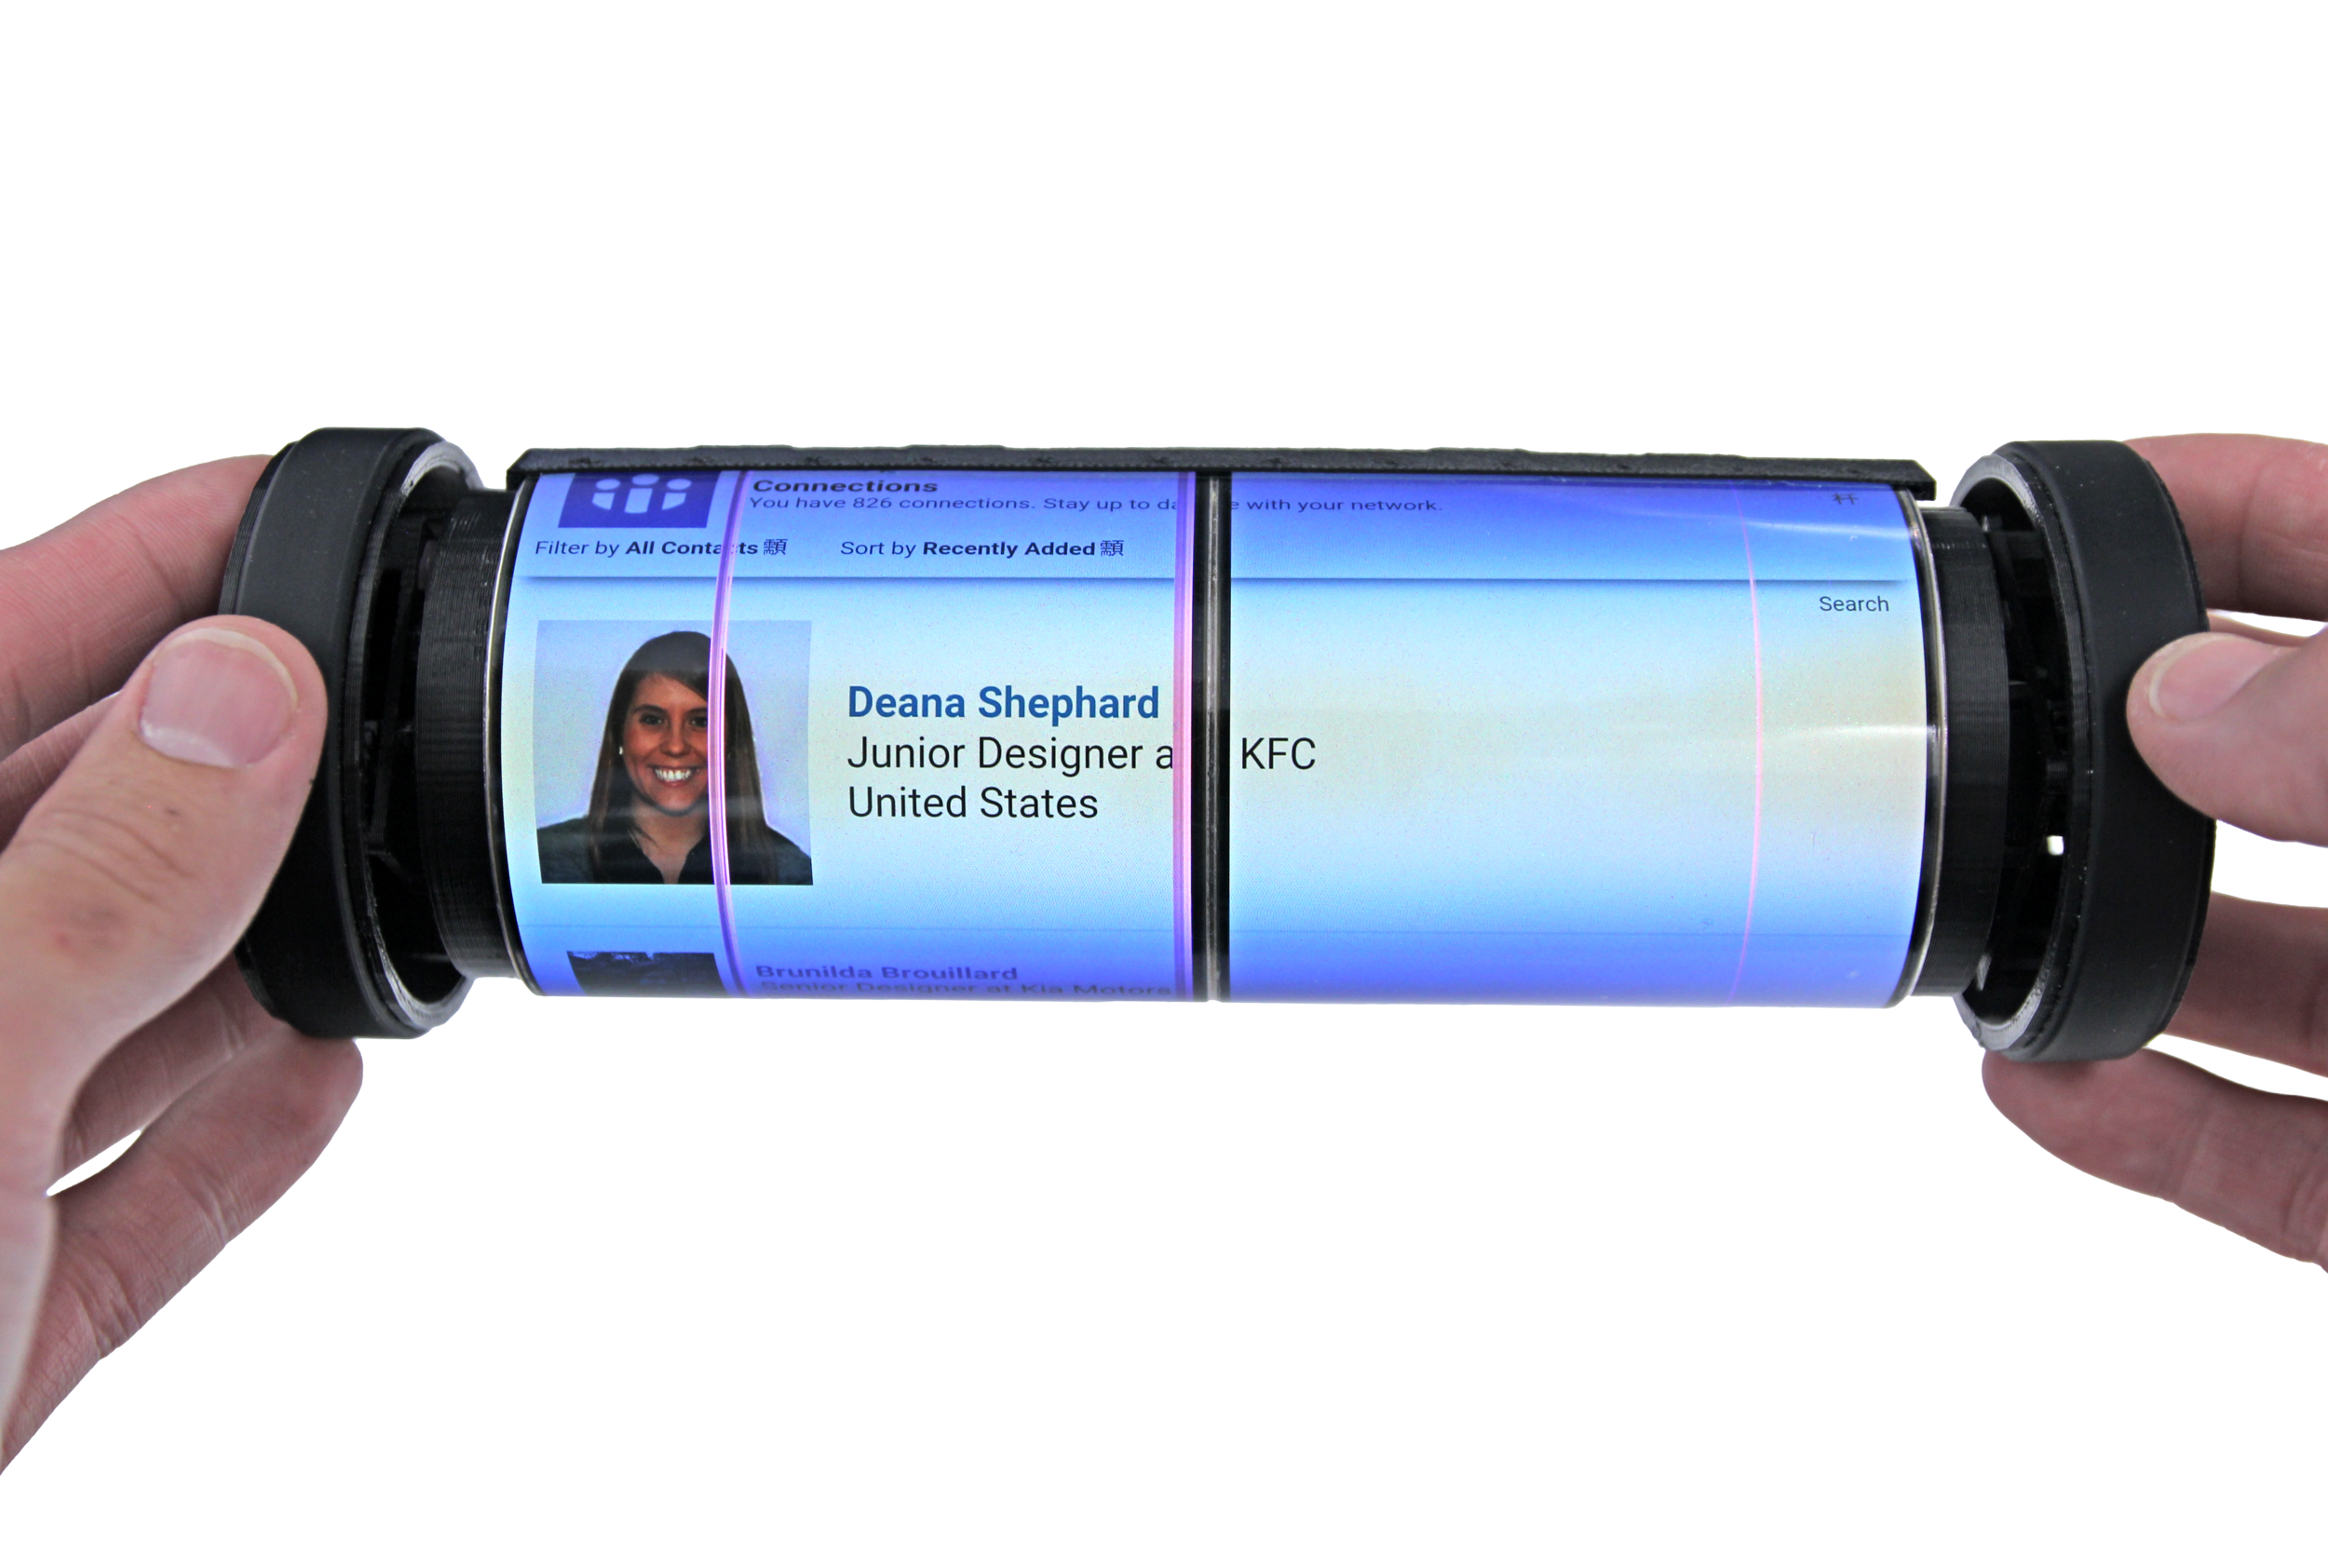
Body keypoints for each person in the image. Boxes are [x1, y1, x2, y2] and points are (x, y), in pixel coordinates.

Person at [1, 440, 2326, 1467]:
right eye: (655, 717)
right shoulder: (627, 870)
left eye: (708, 710)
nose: (686, 744)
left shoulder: (753, 858)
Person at [535, 630, 810, 886]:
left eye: (701, 722)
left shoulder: (791, 873)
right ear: (620, 734)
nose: (676, 746)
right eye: (653, 720)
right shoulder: (543, 862)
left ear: (730, 740)